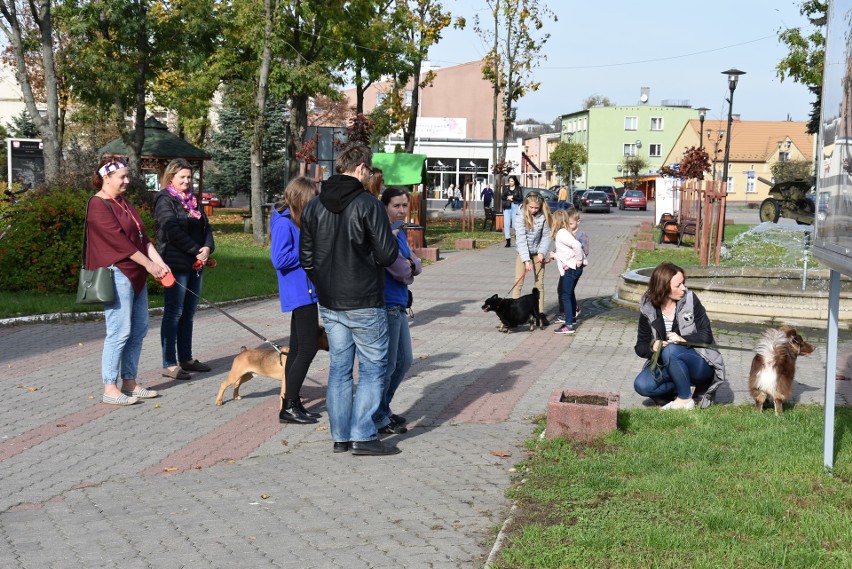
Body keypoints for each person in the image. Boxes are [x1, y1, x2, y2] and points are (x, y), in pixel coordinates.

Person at [300, 143, 400, 456]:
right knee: (372, 370)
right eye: (369, 170)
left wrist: (326, 284)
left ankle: (341, 436)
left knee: (339, 370)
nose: (370, 175)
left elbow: (306, 258)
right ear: (359, 169)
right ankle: (363, 435)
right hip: (365, 300)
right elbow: (386, 254)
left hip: (330, 303)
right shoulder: (369, 204)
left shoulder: (314, 206)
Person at [86, 158, 168, 405]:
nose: (127, 180)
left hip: (137, 275)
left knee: (138, 329)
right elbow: (120, 243)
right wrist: (149, 265)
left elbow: (142, 238)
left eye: (127, 176)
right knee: (119, 332)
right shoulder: (97, 204)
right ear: (106, 177)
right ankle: (109, 387)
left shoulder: (123, 203)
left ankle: (130, 382)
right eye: (122, 176)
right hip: (118, 274)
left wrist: (160, 263)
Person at [633, 262, 726, 410]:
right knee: (641, 385)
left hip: (700, 362)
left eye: (683, 283)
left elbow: (706, 335)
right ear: (663, 287)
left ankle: (685, 399)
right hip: (668, 363)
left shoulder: (690, 299)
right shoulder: (648, 309)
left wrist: (684, 340)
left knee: (671, 350)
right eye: (678, 285)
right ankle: (682, 390)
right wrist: (653, 346)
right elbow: (640, 346)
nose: (683, 288)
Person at [154, 158, 215, 380]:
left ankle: (186, 358)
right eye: (183, 177)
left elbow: (206, 227)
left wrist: (207, 247)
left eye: (190, 177)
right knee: (174, 312)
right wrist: (195, 249)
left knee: (188, 312)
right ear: (171, 177)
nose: (187, 181)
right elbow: (171, 230)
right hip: (175, 263)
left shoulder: (193, 200)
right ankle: (169, 363)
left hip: (196, 263)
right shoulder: (164, 199)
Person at [270, 176, 323, 424]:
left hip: (307, 289)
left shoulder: (298, 220)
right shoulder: (283, 222)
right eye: (312, 199)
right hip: (299, 291)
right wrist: (308, 249)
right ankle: (289, 405)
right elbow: (279, 260)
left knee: (298, 348)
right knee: (308, 348)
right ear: (301, 199)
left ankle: (292, 402)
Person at [373, 187, 422, 436]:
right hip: (387, 302)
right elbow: (403, 270)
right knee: (388, 364)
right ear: (385, 206)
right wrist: (410, 266)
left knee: (405, 361)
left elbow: (416, 264)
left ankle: (383, 408)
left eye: (404, 205)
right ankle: (378, 416)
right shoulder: (384, 233)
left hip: (400, 303)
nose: (402, 210)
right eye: (396, 205)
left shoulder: (399, 231)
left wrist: (411, 265)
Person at [511, 191, 552, 321]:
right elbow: (521, 239)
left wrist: (542, 252)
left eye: (536, 208)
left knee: (539, 284)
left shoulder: (544, 215)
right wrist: (526, 260)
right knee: (518, 283)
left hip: (538, 253)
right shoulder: (520, 216)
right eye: (531, 207)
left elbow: (546, 235)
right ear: (526, 205)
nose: (534, 210)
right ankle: (514, 314)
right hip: (524, 253)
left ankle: (539, 314)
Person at [549, 208, 585, 335]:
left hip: (571, 269)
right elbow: (566, 251)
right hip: (572, 268)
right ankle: (572, 319)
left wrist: (579, 260)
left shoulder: (561, 233)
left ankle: (569, 325)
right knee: (569, 294)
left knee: (565, 295)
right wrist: (555, 255)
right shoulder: (565, 232)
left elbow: (577, 245)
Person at [502, 175, 523, 247]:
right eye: (509, 181)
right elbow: (502, 196)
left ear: (515, 181)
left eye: (512, 181)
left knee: (515, 225)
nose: (510, 182)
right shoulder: (506, 188)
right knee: (507, 224)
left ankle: (517, 239)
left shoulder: (518, 188)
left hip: (515, 207)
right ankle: (508, 241)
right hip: (507, 207)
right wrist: (508, 198)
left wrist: (513, 197)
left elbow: (521, 198)